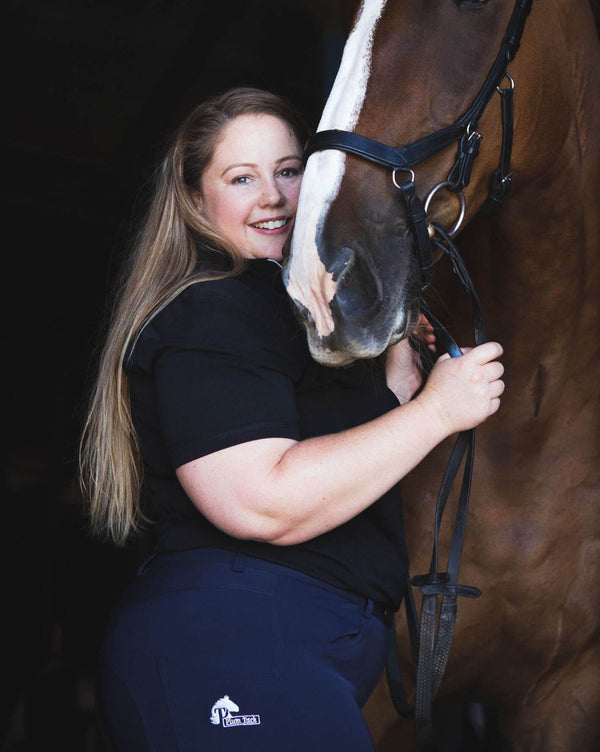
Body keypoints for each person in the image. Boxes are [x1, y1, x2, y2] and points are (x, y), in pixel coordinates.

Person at [79, 87, 504, 751]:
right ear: (195, 201)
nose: (273, 196)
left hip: (283, 648)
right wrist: (438, 411)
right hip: (230, 642)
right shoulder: (210, 312)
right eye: (241, 178)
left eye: (287, 169)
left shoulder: (273, 315)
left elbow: (326, 454)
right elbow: (263, 500)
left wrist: (394, 385)